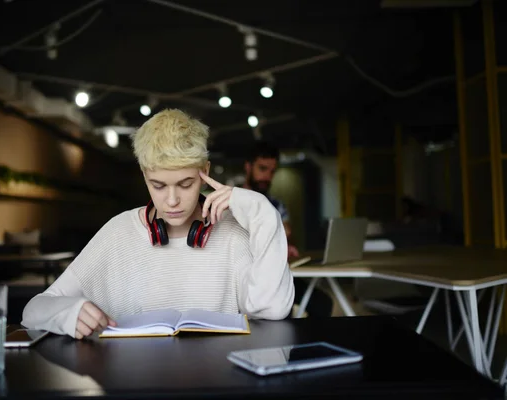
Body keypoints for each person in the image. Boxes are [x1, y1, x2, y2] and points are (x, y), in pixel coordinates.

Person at [21, 109, 294, 339]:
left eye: (185, 184)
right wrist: (68, 314)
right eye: (158, 185)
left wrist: (262, 210)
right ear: (144, 175)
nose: (172, 201)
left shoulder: (233, 232)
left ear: (205, 173)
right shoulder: (118, 232)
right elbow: (34, 309)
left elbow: (271, 309)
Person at [242, 141, 333, 318]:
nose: (267, 176)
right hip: (249, 280)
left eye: (272, 171)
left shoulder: (277, 205)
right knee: (282, 307)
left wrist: (288, 246)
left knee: (323, 304)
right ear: (248, 167)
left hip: (279, 276)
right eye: (262, 168)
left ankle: (306, 346)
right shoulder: (231, 200)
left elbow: (287, 237)